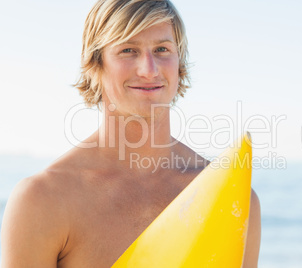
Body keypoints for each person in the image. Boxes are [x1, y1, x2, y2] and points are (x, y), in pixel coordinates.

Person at [0, 0, 261, 267]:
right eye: (128, 50)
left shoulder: (234, 201)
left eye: (162, 49)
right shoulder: (42, 202)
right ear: (95, 65)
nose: (149, 69)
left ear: (179, 65)